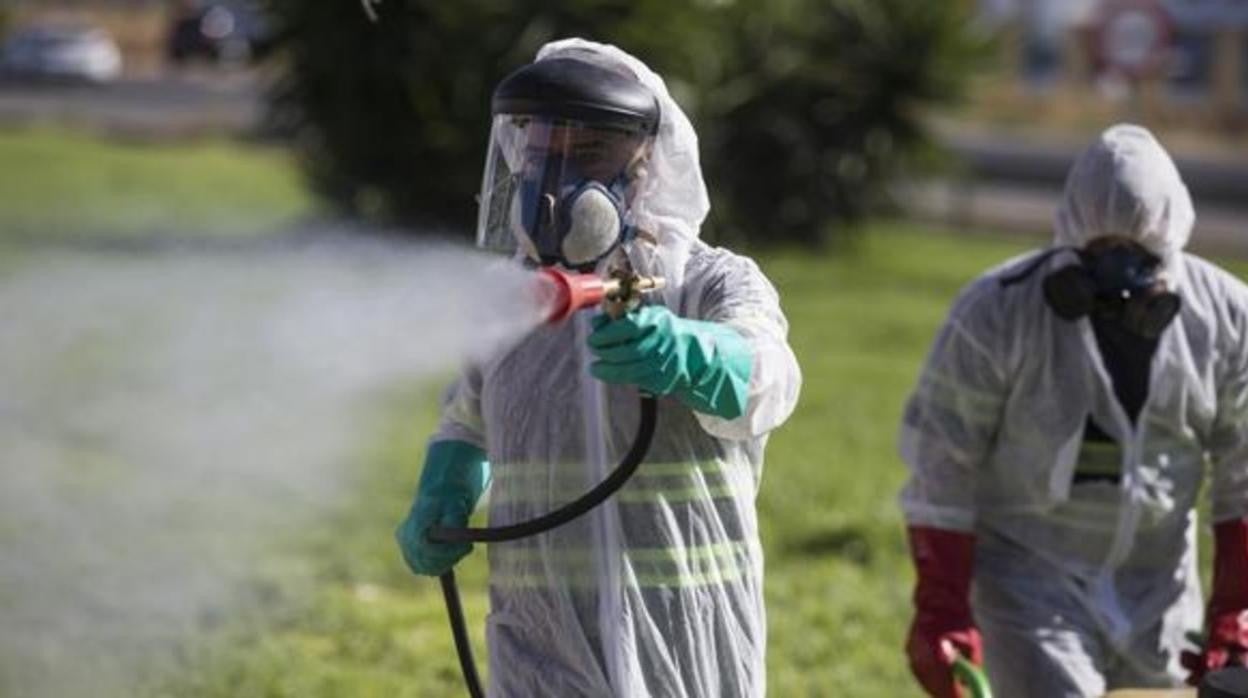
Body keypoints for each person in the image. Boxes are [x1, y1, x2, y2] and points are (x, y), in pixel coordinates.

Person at [395, 38, 802, 697]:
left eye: (586, 154)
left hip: (685, 639)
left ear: (647, 166)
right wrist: (445, 485)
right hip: (541, 644)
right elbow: (469, 419)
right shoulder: (508, 305)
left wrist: (689, 355)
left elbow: (770, 377)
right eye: (540, 155)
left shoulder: (709, 283)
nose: (554, 182)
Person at [898, 123, 1248, 697]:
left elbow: (1245, 476)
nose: (1119, 273)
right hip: (1032, 582)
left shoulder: (1227, 320)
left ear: (1172, 241)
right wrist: (941, 609)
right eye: (1101, 250)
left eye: (1138, 252)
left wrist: (1236, 613)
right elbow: (942, 465)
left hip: (1159, 588)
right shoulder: (998, 312)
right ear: (1070, 237)